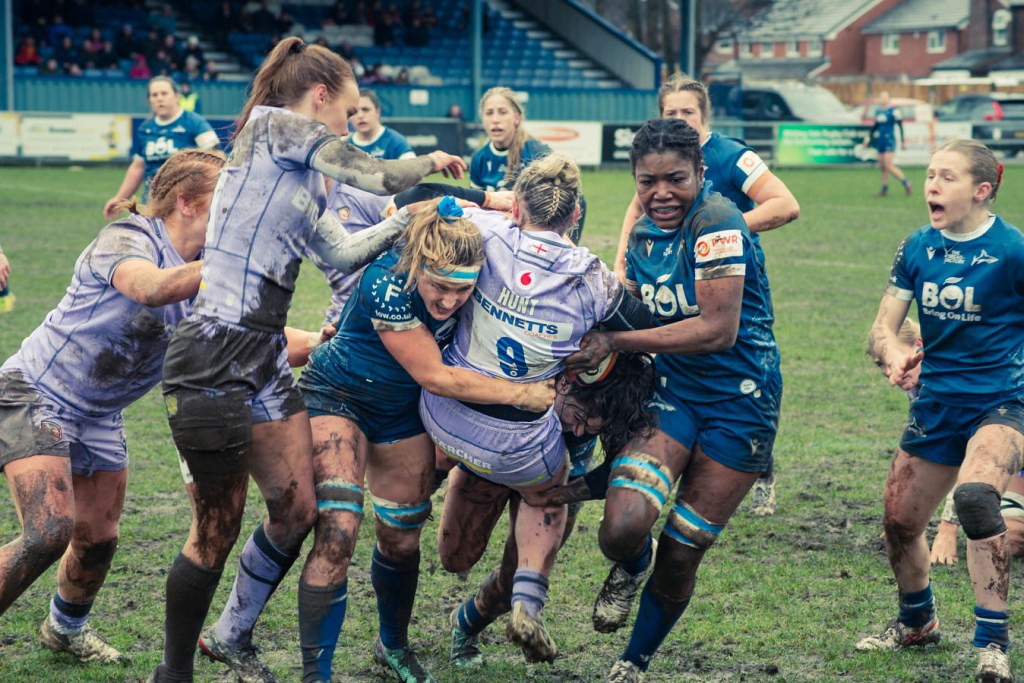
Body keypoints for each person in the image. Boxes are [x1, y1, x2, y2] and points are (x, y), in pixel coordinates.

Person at [148, 37, 466, 683]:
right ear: (321, 96)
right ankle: (172, 671)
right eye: (348, 113)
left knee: (299, 511)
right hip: (212, 349)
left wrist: (411, 219)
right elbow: (375, 174)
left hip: (261, 355)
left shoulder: (297, 175)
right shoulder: (274, 128)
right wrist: (431, 161)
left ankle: (233, 640)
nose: (349, 125)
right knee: (216, 527)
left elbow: (346, 253)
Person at [290, 197, 554, 683]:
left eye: (463, 289)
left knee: (401, 536)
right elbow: (435, 375)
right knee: (339, 528)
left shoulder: (472, 268)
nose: (452, 300)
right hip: (338, 395)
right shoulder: (387, 280)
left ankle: (391, 644)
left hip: (399, 412)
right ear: (417, 267)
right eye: (440, 286)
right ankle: (316, 675)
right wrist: (521, 395)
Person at [563, 117, 782, 682]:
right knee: (621, 529)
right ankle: (630, 568)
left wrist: (614, 340)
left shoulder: (718, 220)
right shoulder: (640, 235)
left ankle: (633, 661)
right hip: (677, 392)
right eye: (647, 181)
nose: (661, 193)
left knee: (682, 549)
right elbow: (637, 307)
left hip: (741, 404)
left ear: (701, 173)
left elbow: (717, 330)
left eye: (675, 179)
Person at [419, 154, 659, 665]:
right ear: (574, 219)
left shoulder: (488, 231)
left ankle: (471, 619)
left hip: (453, 418)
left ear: (518, 208)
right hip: (530, 448)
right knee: (522, 531)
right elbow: (648, 329)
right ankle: (527, 604)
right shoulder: (594, 285)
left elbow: (413, 198)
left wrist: (484, 200)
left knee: (470, 560)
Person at [0, 149, 224, 664]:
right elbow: (150, 289)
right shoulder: (127, 238)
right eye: (225, 204)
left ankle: (64, 629)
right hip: (36, 393)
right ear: (187, 203)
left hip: (100, 413)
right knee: (49, 531)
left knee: (98, 539)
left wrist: (323, 341)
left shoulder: (202, 271)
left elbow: (263, 339)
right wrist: (231, 262)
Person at [858, 139, 1024, 683]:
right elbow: (883, 327)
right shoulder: (917, 248)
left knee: (976, 499)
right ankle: (917, 622)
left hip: (1001, 402)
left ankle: (993, 643)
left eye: (946, 177)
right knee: (899, 523)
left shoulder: (1013, 250)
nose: (932, 185)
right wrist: (896, 353)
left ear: (980, 190)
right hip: (936, 405)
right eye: (929, 175)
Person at [611, 75, 799, 517]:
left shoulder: (732, 155)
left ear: (705, 115)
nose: (679, 119)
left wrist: (716, 232)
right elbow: (637, 210)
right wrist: (622, 261)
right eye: (670, 112)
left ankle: (755, 460)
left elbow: (785, 204)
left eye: (687, 112)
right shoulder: (658, 161)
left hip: (726, 277)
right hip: (673, 279)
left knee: (734, 359)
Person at [446, 352, 657, 669]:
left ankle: (465, 624)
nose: (580, 430)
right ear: (564, 384)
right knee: (455, 556)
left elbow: (616, 467)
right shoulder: (544, 355)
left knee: (514, 582)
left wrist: (561, 494)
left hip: (560, 477)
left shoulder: (619, 396)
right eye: (578, 417)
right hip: (493, 457)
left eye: (591, 427)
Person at [102, 76, 219, 218]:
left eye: (164, 93)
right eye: (154, 95)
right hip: (151, 203)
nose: (159, 98)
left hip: (184, 204)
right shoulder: (145, 129)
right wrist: (119, 198)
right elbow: (138, 167)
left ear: (176, 96)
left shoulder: (195, 123)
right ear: (149, 100)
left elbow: (216, 158)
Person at [348, 88, 415, 160]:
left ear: (377, 112)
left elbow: (414, 169)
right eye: (354, 112)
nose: (360, 115)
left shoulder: (396, 142)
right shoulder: (345, 145)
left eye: (365, 109)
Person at [868, 90, 912, 197]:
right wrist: (868, 138)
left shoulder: (893, 111)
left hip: (889, 140)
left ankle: (906, 182)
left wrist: (902, 141)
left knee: (889, 166)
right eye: (881, 97)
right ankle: (884, 189)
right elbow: (875, 126)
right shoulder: (878, 111)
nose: (883, 99)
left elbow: (900, 125)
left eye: (885, 97)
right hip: (881, 141)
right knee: (883, 167)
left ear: (888, 99)